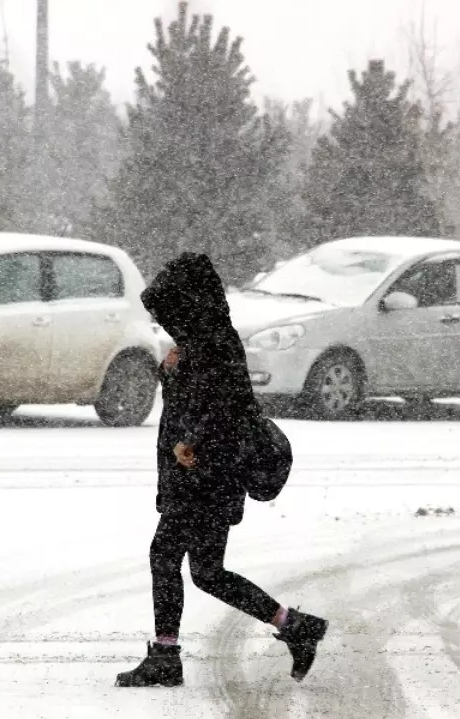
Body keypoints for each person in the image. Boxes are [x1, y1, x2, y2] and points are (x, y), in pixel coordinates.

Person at [116, 252, 328, 688]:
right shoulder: (202, 339)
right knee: (206, 572)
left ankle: (167, 655)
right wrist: (170, 369)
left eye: (171, 309)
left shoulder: (213, 342)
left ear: (189, 302)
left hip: (207, 476)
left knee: (168, 558)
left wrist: (190, 440)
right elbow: (197, 393)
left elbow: (224, 407)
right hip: (202, 475)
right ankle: (293, 626)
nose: (165, 319)